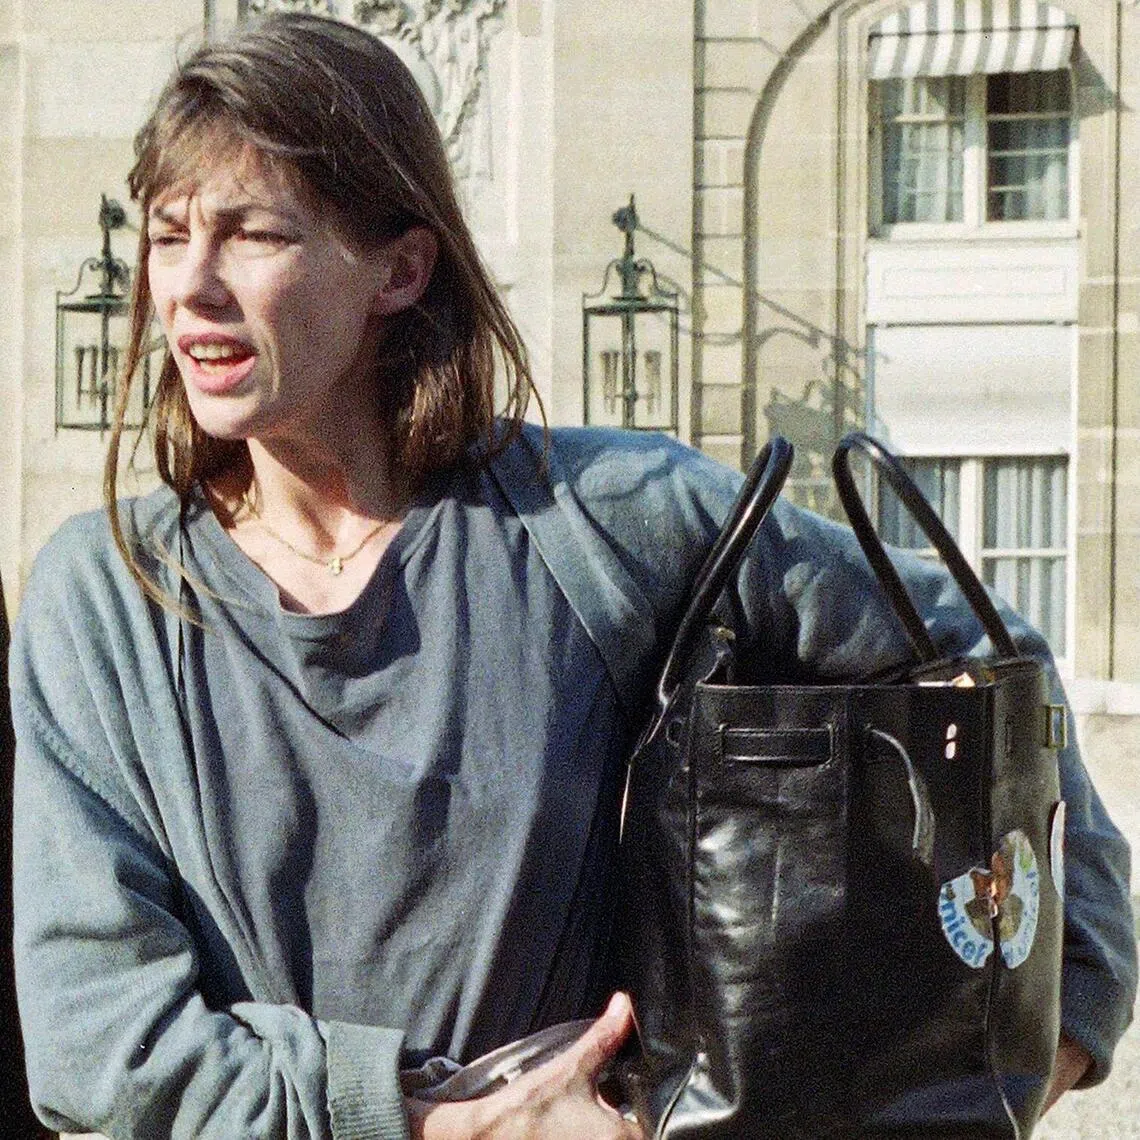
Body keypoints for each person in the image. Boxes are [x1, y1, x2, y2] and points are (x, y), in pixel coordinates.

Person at [8, 13, 1136, 1140]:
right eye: (165, 235)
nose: (190, 286)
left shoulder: (600, 521)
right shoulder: (104, 601)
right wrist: (440, 1125)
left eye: (251, 234)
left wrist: (1055, 1022)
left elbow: (994, 682)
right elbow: (102, 1048)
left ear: (399, 269)